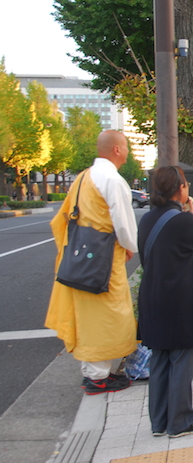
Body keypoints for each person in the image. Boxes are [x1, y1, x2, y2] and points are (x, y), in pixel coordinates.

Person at [46, 130, 138, 394]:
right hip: (104, 259)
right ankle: (100, 377)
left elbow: (65, 217)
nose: (128, 151)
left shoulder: (83, 177)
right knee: (107, 314)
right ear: (118, 150)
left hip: (80, 257)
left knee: (87, 315)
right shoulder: (112, 179)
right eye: (127, 147)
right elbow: (123, 223)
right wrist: (130, 246)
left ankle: (91, 373)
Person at [137, 166, 193, 438]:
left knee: (159, 358)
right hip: (181, 300)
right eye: (185, 185)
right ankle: (181, 421)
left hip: (153, 296)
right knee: (183, 358)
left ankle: (159, 421)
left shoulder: (147, 219)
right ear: (180, 188)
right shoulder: (184, 221)